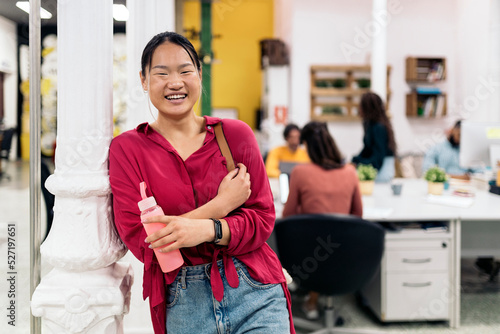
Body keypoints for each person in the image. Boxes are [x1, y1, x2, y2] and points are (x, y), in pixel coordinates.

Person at [108, 32, 293, 334]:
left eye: (185, 70)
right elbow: (145, 244)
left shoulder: (235, 136)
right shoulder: (128, 149)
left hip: (254, 286)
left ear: (199, 75)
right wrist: (222, 206)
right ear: (143, 80)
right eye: (161, 73)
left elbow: (262, 219)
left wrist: (206, 228)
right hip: (183, 300)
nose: (175, 82)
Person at [282, 121, 363, 319]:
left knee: (309, 240)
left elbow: (288, 216)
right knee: (327, 240)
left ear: (308, 146)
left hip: (310, 256)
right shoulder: (350, 172)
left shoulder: (300, 172)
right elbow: (358, 215)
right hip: (345, 254)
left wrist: (308, 209)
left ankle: (308, 297)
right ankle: (312, 297)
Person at [352, 92, 397, 183]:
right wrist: (355, 160)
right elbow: (367, 149)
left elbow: (378, 159)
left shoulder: (379, 127)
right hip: (377, 165)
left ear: (367, 108)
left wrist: (358, 163)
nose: (359, 109)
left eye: (361, 106)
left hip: (382, 170)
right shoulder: (370, 124)